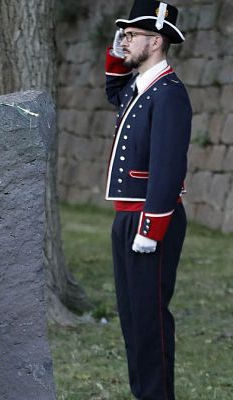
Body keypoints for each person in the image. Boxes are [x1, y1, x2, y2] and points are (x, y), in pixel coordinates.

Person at [104, 1, 191, 399]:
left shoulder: (170, 93)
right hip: (126, 218)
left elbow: (168, 167)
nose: (124, 39)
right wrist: (118, 47)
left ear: (156, 41)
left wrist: (152, 226)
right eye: (124, 34)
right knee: (132, 321)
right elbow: (112, 86)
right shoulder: (137, 88)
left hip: (150, 220)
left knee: (151, 321)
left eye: (132, 34)